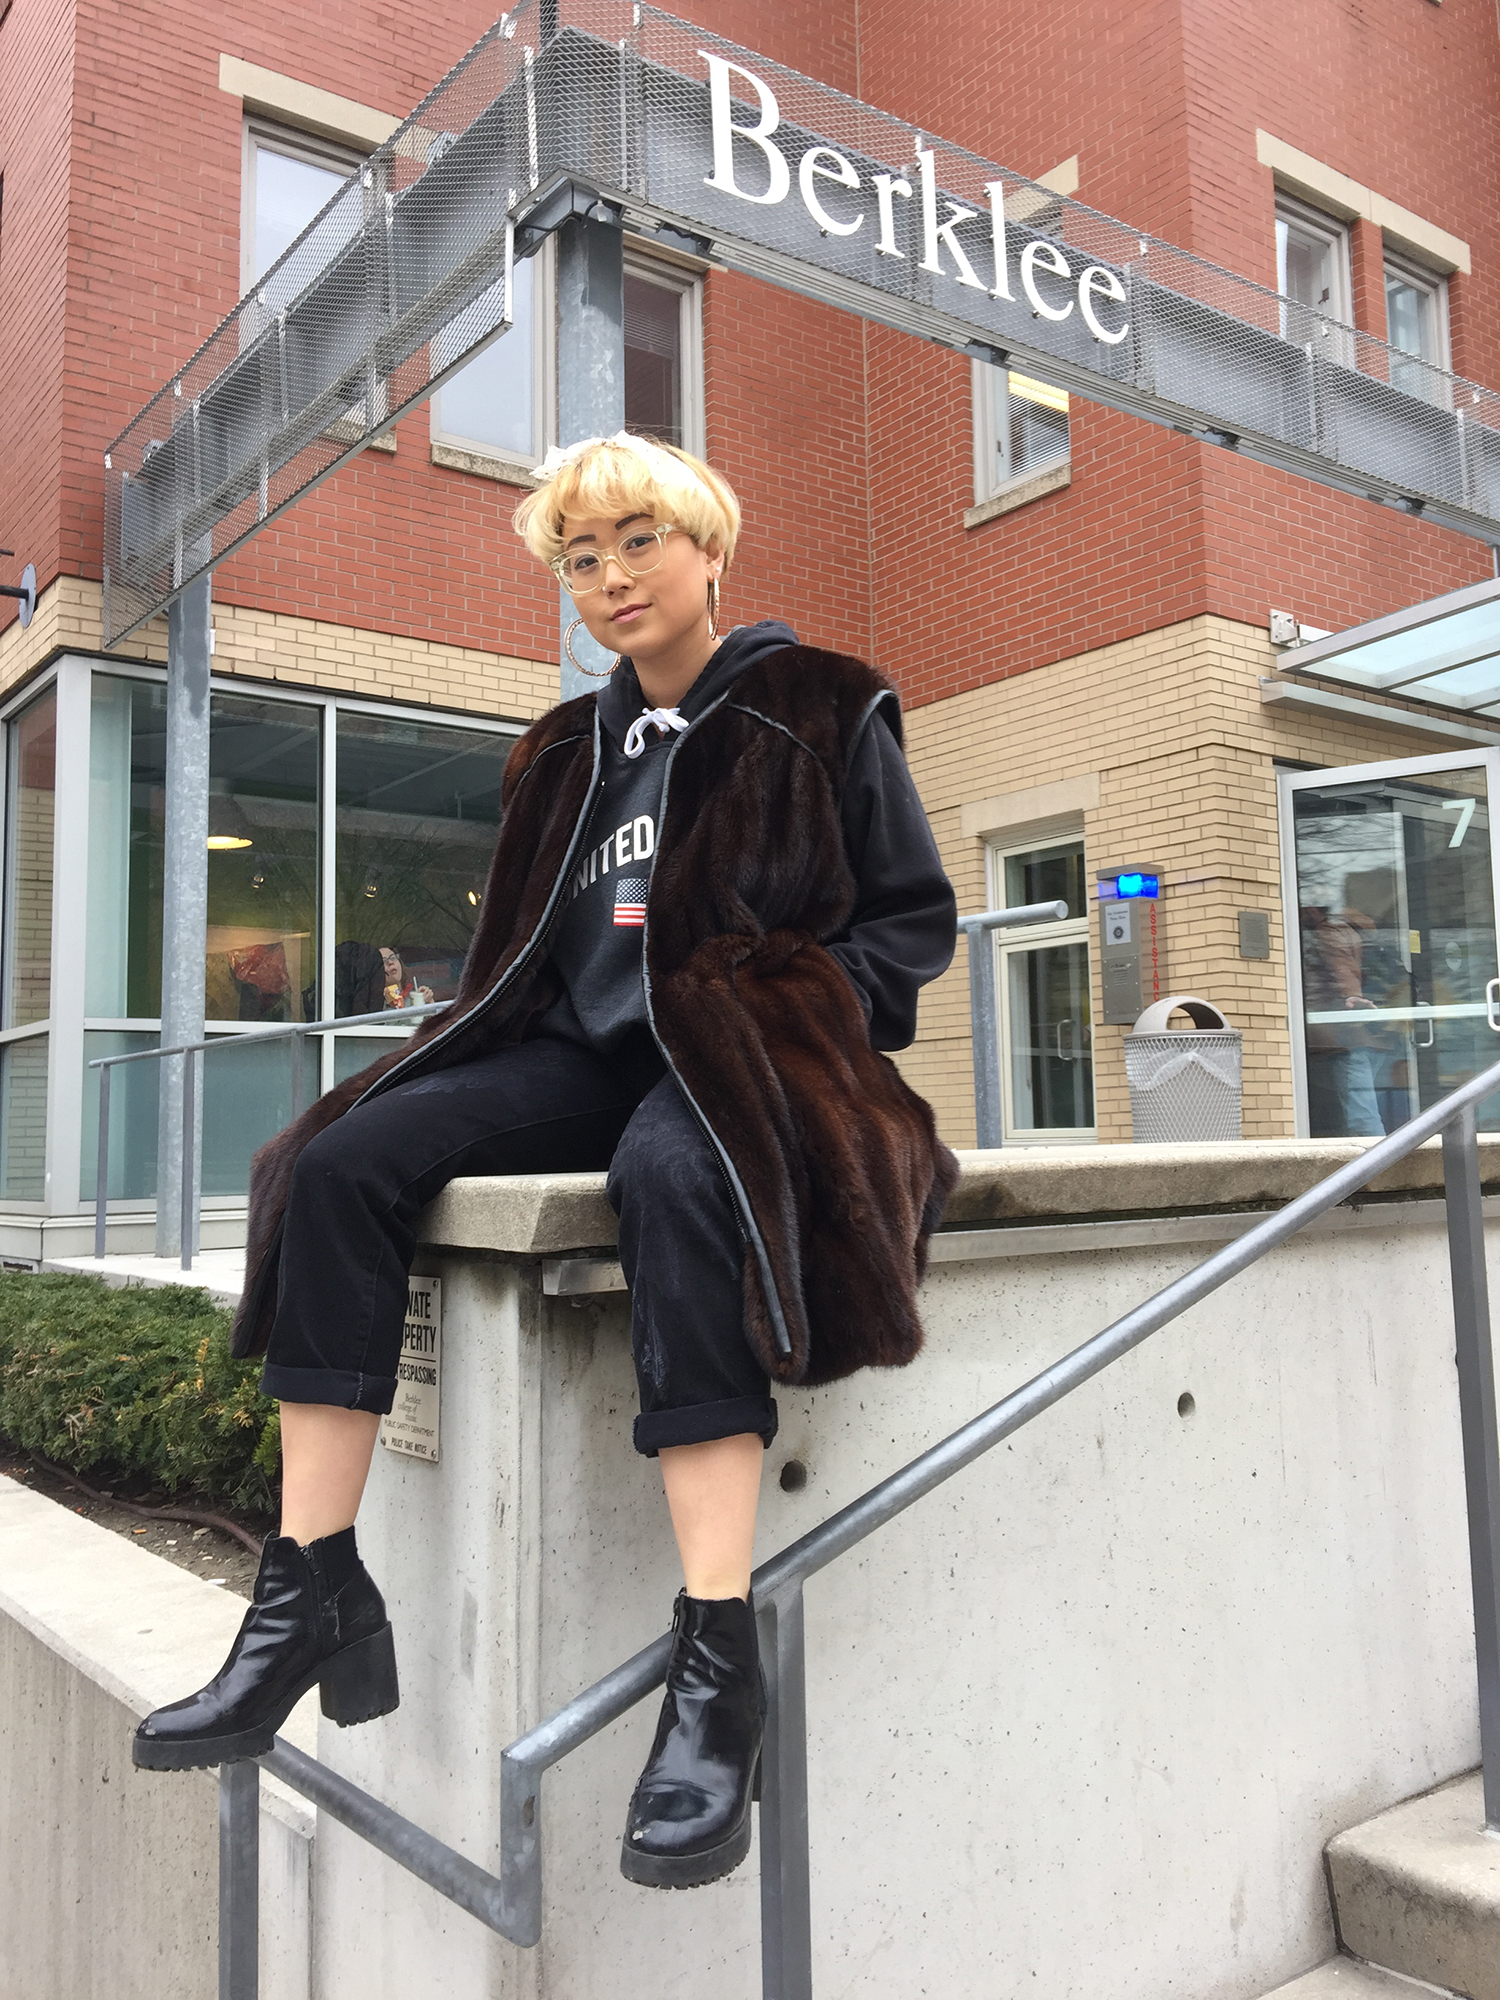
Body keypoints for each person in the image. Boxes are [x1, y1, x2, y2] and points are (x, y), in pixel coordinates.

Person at [133, 432, 959, 1891]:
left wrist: (788, 1002)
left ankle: (718, 1656)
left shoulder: (821, 704)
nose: (611, 578)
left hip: (747, 1059)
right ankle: (311, 1586)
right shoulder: (561, 749)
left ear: (709, 548)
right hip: (579, 1055)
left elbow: (907, 927)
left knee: (677, 1179)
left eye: (639, 541)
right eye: (582, 559)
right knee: (335, 1162)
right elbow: (518, 951)